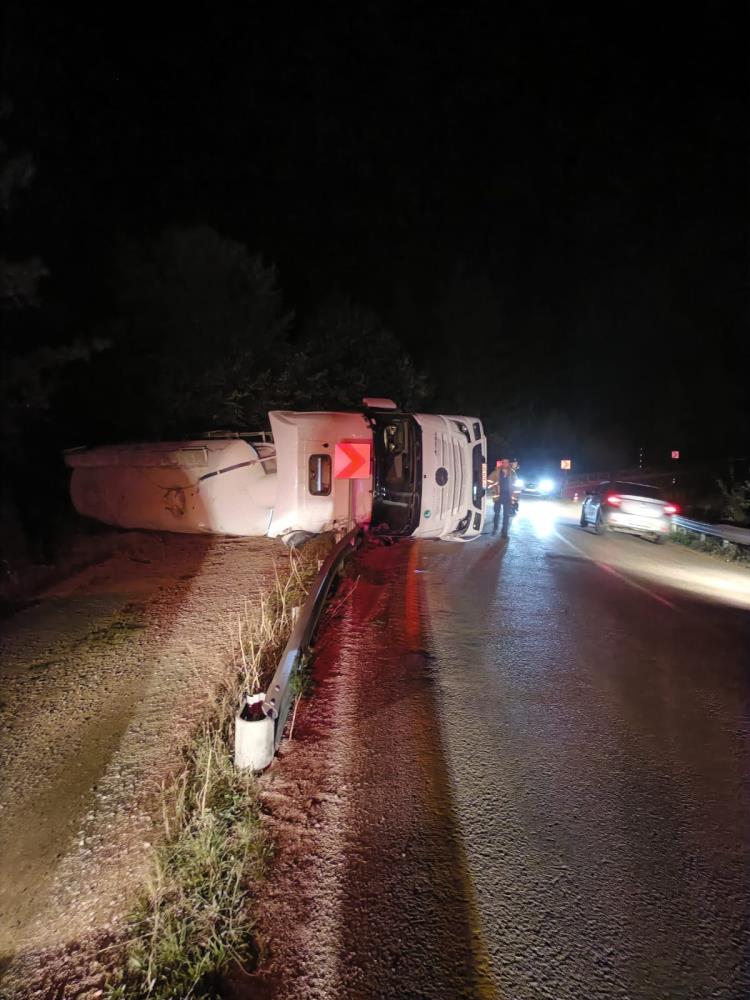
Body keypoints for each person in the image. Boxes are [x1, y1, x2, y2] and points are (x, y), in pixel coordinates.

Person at [492, 458, 514, 537]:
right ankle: (495, 527)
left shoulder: (512, 473)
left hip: (508, 497)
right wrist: (493, 486)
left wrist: (515, 499)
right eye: (503, 462)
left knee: (506, 515)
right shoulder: (496, 472)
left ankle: (504, 532)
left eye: (506, 462)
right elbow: (488, 482)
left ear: (508, 463)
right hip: (498, 496)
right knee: (497, 514)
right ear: (501, 463)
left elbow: (517, 486)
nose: (505, 464)